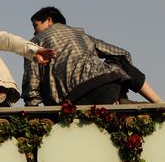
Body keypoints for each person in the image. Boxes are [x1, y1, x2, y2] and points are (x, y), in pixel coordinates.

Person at [23, 6, 161, 106]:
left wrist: (33, 111)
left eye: (35, 26)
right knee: (119, 61)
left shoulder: (35, 43)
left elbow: (32, 84)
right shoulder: (80, 34)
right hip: (106, 88)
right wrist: (122, 85)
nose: (34, 32)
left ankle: (122, 99)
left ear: (49, 20)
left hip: (71, 102)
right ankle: (157, 103)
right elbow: (122, 54)